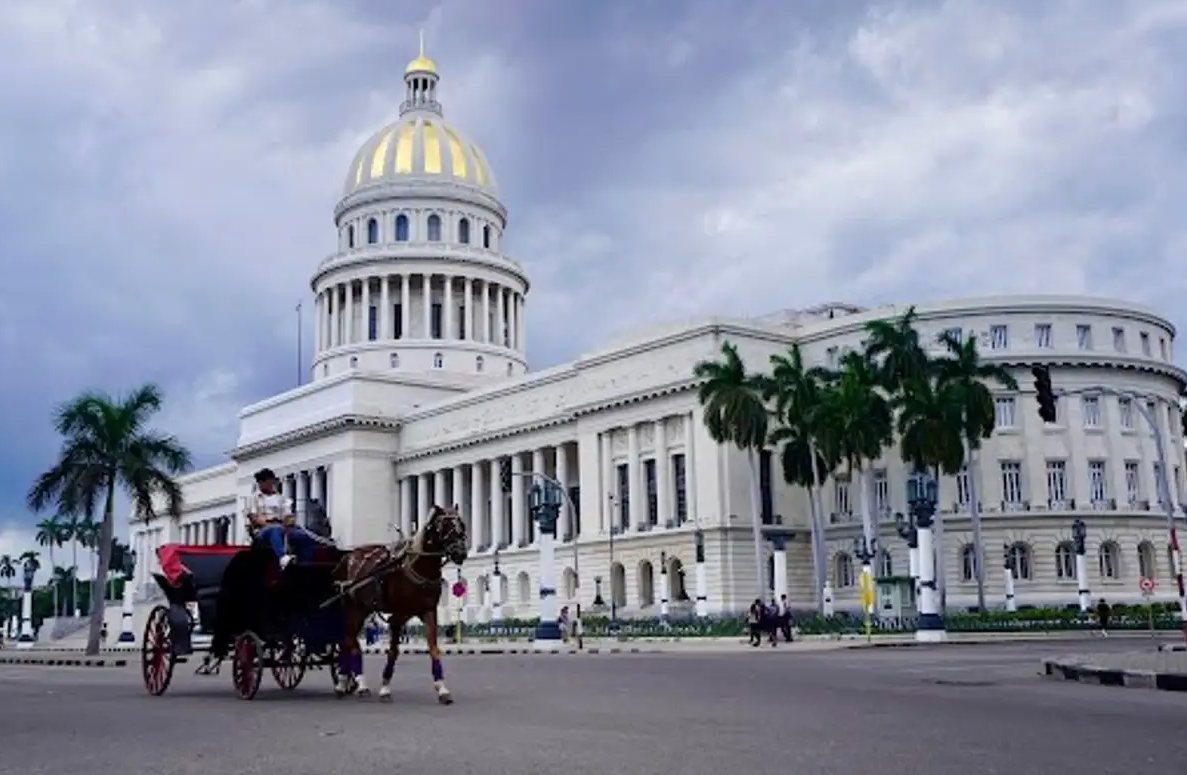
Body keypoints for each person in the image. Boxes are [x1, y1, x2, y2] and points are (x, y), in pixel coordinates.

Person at [246, 468, 328, 568]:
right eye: (260, 482)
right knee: (274, 530)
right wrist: (271, 524)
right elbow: (254, 517)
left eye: (266, 481)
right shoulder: (254, 498)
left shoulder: (281, 498)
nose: (263, 484)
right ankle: (282, 557)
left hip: (282, 527)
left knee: (304, 537)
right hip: (263, 531)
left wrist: (286, 523)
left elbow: (288, 515)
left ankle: (303, 565)